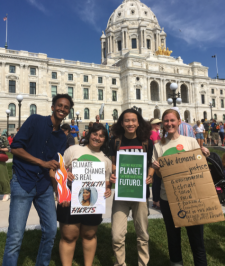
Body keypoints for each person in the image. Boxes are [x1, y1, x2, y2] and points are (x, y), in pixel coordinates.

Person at [2, 94, 73, 266]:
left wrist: (62, 183)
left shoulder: (62, 138)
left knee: (50, 230)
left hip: (43, 186)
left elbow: (54, 166)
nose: (62, 109)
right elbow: (15, 148)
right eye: (60, 105)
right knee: (15, 235)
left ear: (68, 111)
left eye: (66, 107)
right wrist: (42, 162)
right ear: (53, 106)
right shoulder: (35, 121)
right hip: (23, 182)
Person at [152, 108, 209, 266]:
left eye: (172, 120)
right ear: (162, 124)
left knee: (197, 240)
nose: (169, 124)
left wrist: (204, 155)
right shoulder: (158, 146)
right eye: (166, 121)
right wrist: (156, 169)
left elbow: (199, 169)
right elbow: (159, 176)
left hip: (191, 197)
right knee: (173, 238)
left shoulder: (190, 142)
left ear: (179, 122)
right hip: (168, 197)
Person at [55, 123, 112, 266]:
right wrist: (66, 174)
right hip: (70, 199)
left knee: (89, 235)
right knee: (69, 236)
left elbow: (106, 183)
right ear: (88, 134)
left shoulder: (106, 160)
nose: (97, 138)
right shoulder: (74, 150)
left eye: (101, 136)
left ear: (105, 139)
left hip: (92, 201)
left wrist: (107, 189)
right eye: (95, 134)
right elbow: (58, 169)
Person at [109, 108, 154, 266]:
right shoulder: (115, 141)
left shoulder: (147, 142)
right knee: (117, 235)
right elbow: (113, 163)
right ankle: (120, 263)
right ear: (121, 123)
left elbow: (151, 164)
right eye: (127, 120)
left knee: (143, 234)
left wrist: (150, 176)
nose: (130, 123)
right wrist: (114, 173)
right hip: (122, 193)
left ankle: (143, 263)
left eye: (133, 120)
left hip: (140, 193)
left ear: (138, 122)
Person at [149, 118, 162, 210]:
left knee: (156, 181)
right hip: (156, 158)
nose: (159, 125)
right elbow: (157, 145)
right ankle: (156, 201)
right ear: (153, 125)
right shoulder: (153, 133)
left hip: (154, 158)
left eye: (159, 123)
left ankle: (155, 200)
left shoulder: (155, 132)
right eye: (157, 123)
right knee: (157, 180)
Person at [0, 130, 11, 201]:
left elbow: (9, 149)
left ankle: (6, 192)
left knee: (3, 176)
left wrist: (0, 148)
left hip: (0, 159)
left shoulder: (3, 138)